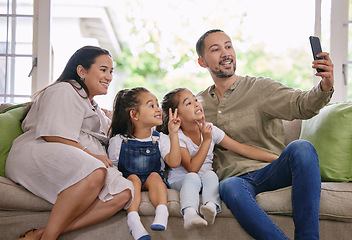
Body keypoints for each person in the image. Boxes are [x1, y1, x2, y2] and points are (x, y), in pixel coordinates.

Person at [195, 29, 334, 239]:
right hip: (234, 179)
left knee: (302, 147)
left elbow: (302, 105)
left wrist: (326, 85)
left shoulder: (259, 88)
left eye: (228, 46)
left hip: (271, 170)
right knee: (229, 186)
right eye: (215, 49)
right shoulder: (197, 104)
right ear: (202, 62)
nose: (225, 53)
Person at [5, 46, 134, 240]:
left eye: (111, 71)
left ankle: (41, 234)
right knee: (96, 170)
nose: (109, 76)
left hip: (75, 158)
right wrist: (91, 156)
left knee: (124, 193)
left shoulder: (94, 106)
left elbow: (114, 132)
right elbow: (53, 135)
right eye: (103, 69)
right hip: (38, 151)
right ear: (82, 71)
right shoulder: (64, 89)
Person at [158, 88, 278, 230]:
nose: (196, 104)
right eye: (188, 103)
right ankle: (190, 215)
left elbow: (242, 148)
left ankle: (210, 207)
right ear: (176, 114)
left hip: (204, 180)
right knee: (193, 177)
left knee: (211, 175)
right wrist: (207, 140)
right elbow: (192, 168)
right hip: (182, 181)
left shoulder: (210, 129)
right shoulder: (178, 136)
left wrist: (276, 158)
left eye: (195, 99)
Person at [107, 87, 181, 240]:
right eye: (151, 105)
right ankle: (133, 221)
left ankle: (162, 212)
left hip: (151, 180)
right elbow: (113, 170)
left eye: (157, 105)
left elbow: (174, 162)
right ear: (134, 115)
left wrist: (173, 133)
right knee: (133, 179)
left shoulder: (160, 138)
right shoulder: (118, 141)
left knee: (155, 176)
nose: (158, 109)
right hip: (129, 180)